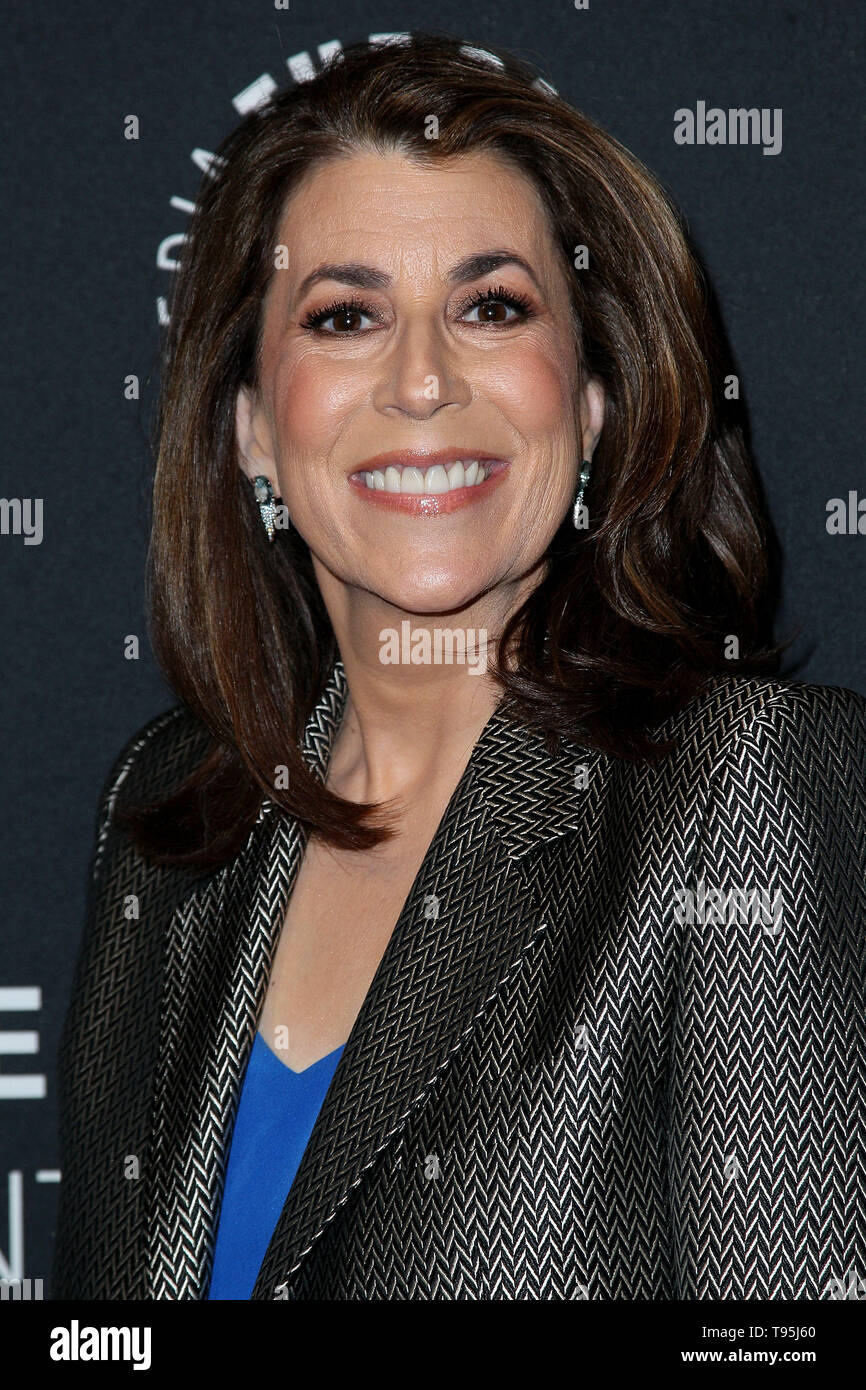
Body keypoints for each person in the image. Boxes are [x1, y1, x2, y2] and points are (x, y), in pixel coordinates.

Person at [52, 32, 866, 1301]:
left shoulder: (740, 790)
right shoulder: (170, 817)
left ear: (591, 401)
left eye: (491, 306)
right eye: (344, 315)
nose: (422, 379)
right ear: (252, 428)